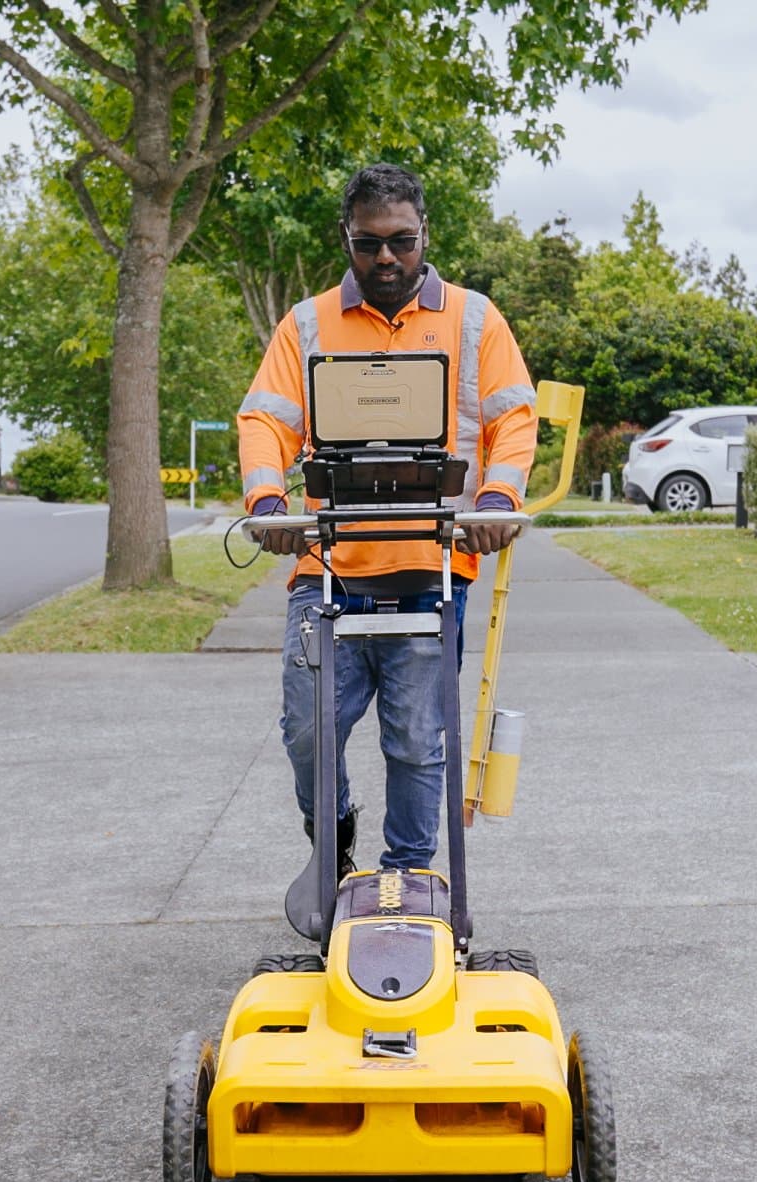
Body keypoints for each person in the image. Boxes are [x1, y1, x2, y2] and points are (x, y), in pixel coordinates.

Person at [237, 162, 539, 933]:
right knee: (309, 729)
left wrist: (499, 498)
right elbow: (265, 419)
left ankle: (408, 888)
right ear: (347, 239)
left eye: (401, 242)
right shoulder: (306, 324)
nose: (385, 260)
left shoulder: (475, 321)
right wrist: (266, 499)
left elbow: (513, 417)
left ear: (424, 236)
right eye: (368, 244)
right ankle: (334, 849)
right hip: (328, 569)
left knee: (415, 740)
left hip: (432, 568)